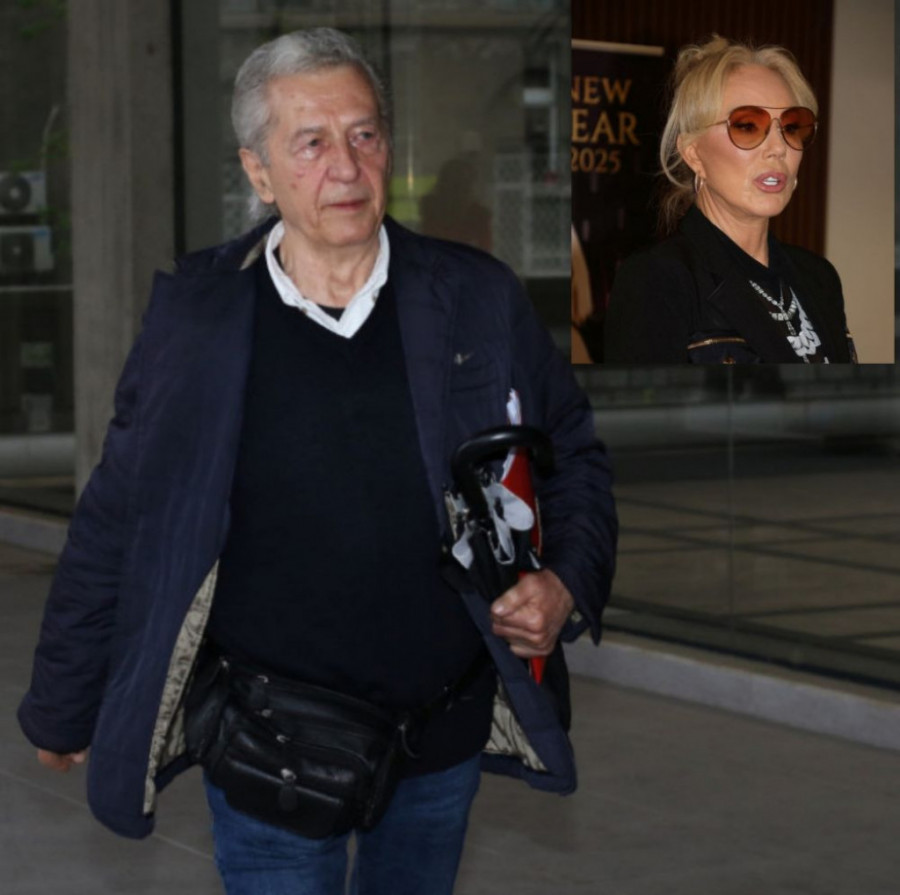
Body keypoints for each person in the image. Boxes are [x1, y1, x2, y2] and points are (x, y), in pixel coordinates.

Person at [17, 28, 616, 895]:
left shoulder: (475, 299)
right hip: (271, 746)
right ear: (258, 173)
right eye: (310, 143)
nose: (346, 164)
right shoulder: (200, 320)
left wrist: (564, 582)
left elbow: (575, 456)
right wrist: (64, 701)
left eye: (364, 134)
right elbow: (119, 512)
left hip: (440, 734)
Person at [604, 35, 857, 364]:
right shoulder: (657, 280)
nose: (778, 148)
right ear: (694, 154)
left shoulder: (819, 277)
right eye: (748, 126)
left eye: (791, 127)